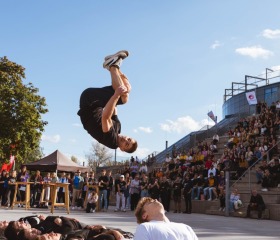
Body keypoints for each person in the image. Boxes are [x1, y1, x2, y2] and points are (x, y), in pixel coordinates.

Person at [77, 50, 137, 153]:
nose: (125, 140)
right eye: (129, 139)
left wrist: (116, 95)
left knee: (123, 97)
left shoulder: (112, 141)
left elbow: (105, 117)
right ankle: (114, 65)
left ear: (122, 149)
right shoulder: (118, 127)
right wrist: (122, 90)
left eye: (126, 144)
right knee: (126, 92)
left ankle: (113, 66)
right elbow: (114, 107)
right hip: (95, 102)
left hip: (89, 102)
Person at [134, 197, 198, 240]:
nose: (156, 200)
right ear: (144, 215)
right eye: (150, 203)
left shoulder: (186, 227)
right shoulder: (145, 227)